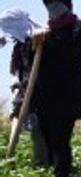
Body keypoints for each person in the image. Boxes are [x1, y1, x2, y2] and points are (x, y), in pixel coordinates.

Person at [27, 0, 81, 177]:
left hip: (66, 96)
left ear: (67, 3)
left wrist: (48, 40)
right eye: (49, 2)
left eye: (57, 1)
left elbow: (72, 57)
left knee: (59, 141)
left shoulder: (79, 28)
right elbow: (33, 63)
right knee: (44, 142)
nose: (53, 6)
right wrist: (33, 44)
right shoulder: (43, 32)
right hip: (44, 96)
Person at [1, 8, 50, 166]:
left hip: (40, 91)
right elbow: (19, 70)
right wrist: (17, 84)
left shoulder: (39, 38)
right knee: (18, 119)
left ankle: (43, 165)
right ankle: (10, 157)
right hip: (23, 88)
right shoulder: (19, 45)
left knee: (39, 131)